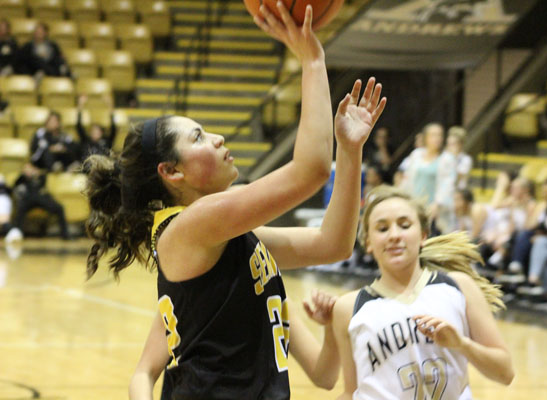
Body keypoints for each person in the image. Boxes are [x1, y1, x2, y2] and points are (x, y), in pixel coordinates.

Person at [83, 3, 387, 399]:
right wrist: (312, 60)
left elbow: (333, 244)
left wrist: (349, 152)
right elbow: (310, 171)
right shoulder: (191, 227)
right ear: (172, 173)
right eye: (197, 138)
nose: (217, 139)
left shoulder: (229, 237)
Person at [329, 185, 513, 400]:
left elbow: (505, 373)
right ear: (368, 242)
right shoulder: (348, 308)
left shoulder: (459, 287)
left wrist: (462, 344)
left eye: (404, 225)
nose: (394, 235)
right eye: (382, 229)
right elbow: (351, 392)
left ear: (423, 234)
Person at [130, 290, 341, 399]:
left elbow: (324, 376)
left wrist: (330, 327)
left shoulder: (273, 297)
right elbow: (144, 373)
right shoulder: (188, 294)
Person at [400, 123, 456, 234]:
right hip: (414, 204)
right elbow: (407, 179)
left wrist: (437, 204)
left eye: (440, 135)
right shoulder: (416, 154)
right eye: (433, 135)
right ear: (426, 137)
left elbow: (448, 185)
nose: (437, 138)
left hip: (434, 209)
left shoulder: (447, 159)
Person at [10, 162, 70, 240]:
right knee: (20, 209)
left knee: (59, 208)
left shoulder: (41, 176)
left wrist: (36, 174)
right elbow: (14, 185)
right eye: (26, 168)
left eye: (29, 168)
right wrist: (24, 175)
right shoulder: (23, 178)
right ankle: (17, 234)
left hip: (41, 199)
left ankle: (65, 235)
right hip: (29, 199)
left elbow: (43, 184)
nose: (28, 170)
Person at [76, 95, 116, 159]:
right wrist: (80, 105)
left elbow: (114, 128)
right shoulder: (86, 141)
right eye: (93, 131)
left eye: (97, 131)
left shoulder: (107, 141)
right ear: (90, 133)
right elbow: (78, 126)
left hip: (104, 166)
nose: (95, 132)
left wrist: (110, 106)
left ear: (102, 132)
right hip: (89, 166)